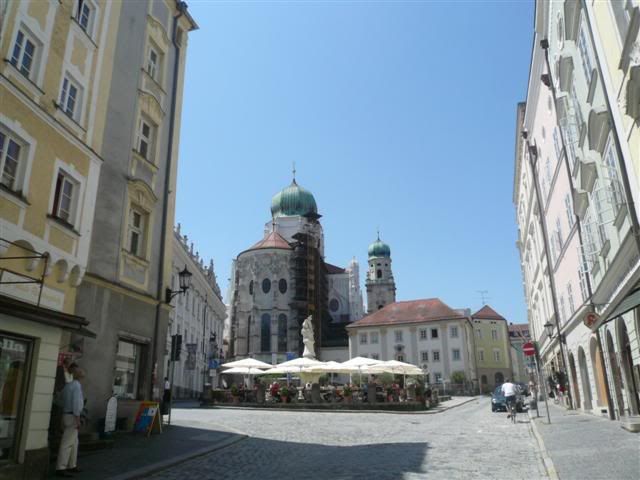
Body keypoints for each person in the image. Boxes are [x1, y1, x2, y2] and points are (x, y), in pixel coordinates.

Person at [56, 367, 85, 477]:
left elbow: (60, 400)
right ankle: (60, 467)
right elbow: (76, 403)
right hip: (72, 416)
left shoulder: (68, 385)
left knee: (74, 442)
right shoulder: (77, 386)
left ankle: (72, 465)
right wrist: (78, 419)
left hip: (66, 414)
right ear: (80, 375)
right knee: (67, 443)